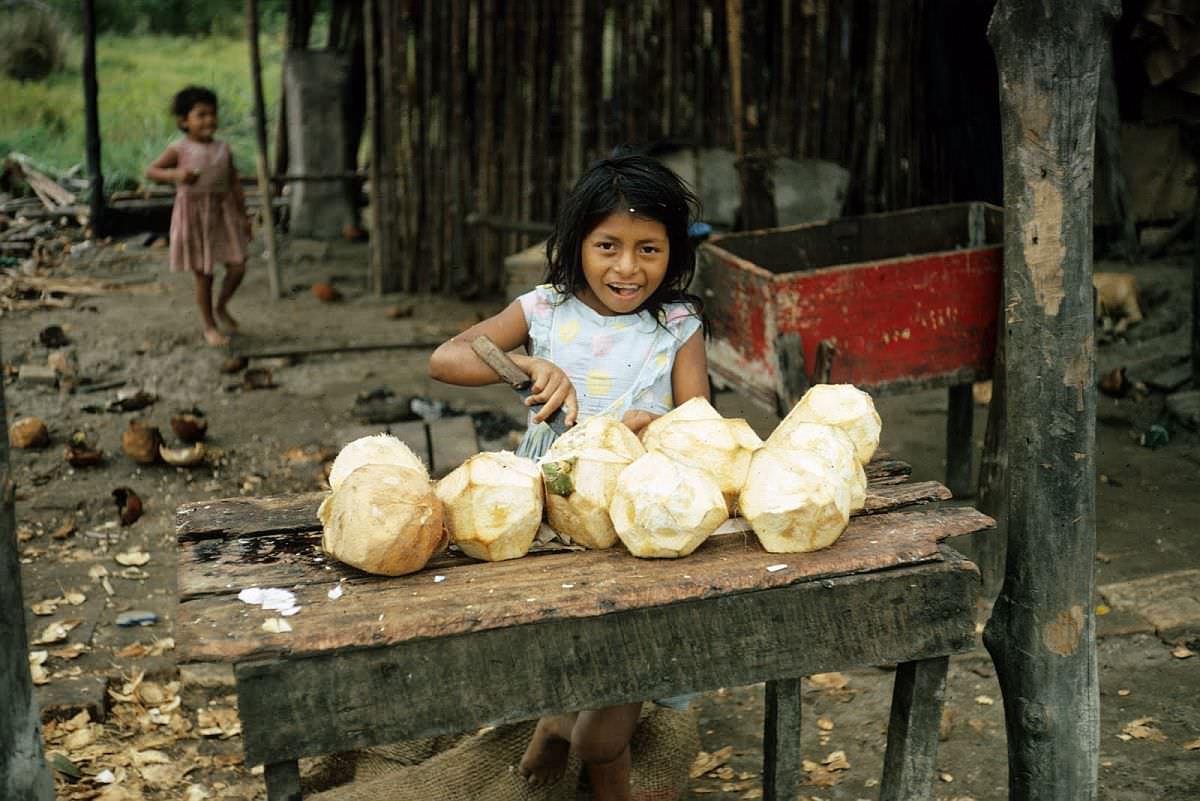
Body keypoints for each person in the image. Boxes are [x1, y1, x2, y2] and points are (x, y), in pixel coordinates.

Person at [428, 150, 708, 801]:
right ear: (575, 241)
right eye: (607, 245)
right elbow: (445, 359)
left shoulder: (677, 324)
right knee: (564, 643)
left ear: (674, 252)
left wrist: (658, 427)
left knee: (604, 729)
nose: (627, 266)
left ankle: (587, 745)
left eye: (649, 248)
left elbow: (701, 423)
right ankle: (556, 717)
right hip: (551, 517)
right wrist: (523, 365)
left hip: (639, 523)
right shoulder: (546, 310)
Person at [145, 86, 250, 347]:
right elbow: (151, 171)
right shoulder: (179, 149)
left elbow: (234, 182)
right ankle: (210, 327)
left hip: (222, 214)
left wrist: (244, 215)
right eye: (201, 115)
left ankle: (222, 305)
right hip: (193, 215)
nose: (209, 120)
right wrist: (175, 175)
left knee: (237, 267)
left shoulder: (223, 148)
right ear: (184, 121)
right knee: (205, 274)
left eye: (212, 114)